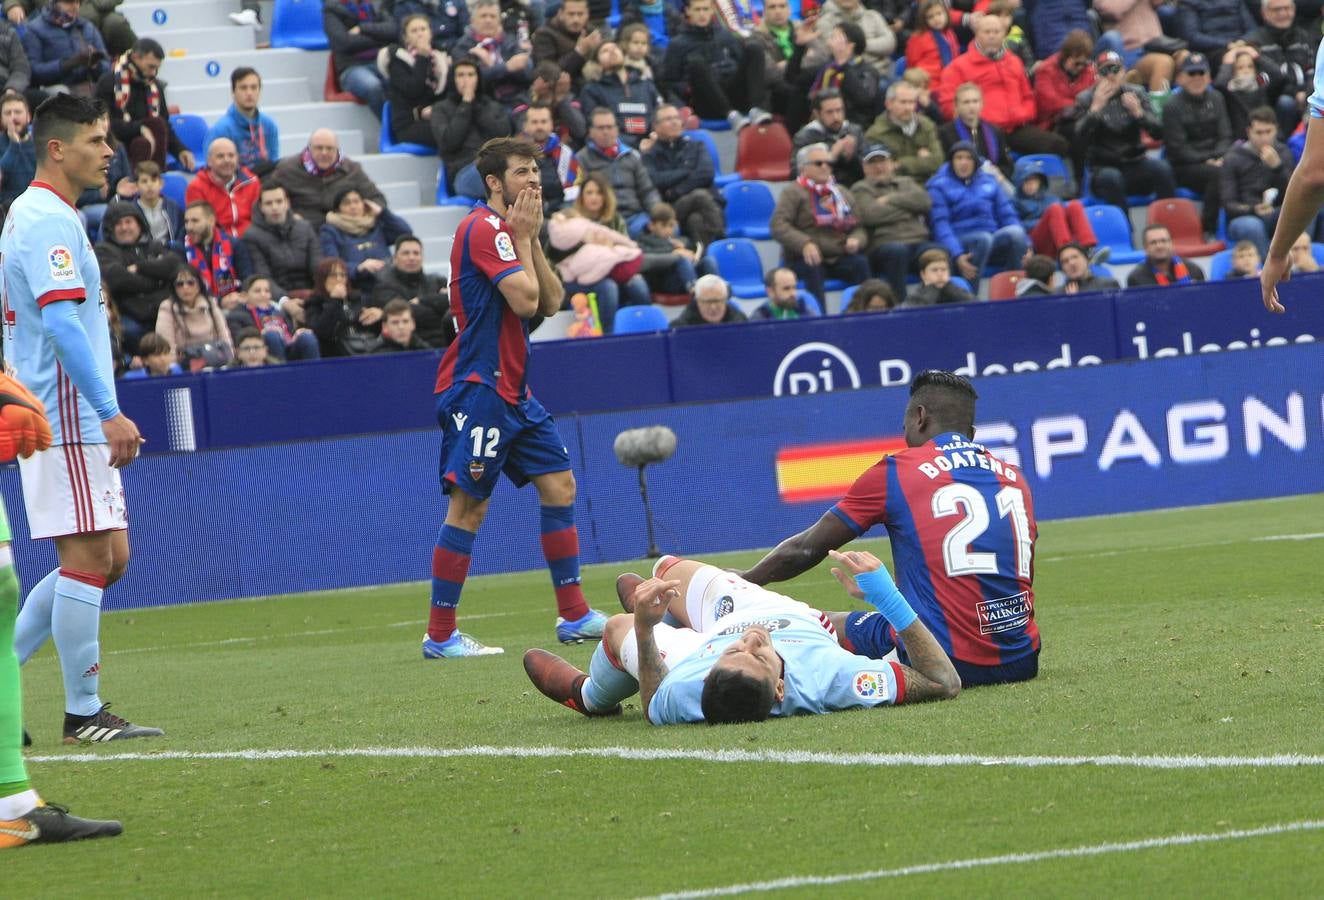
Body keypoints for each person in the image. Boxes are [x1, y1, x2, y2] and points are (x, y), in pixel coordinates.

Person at [1, 92, 160, 743]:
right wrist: (109, 412)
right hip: (63, 414)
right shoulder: (43, 220)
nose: (108, 152)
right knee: (92, 557)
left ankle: (6, 683)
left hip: (62, 414)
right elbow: (63, 323)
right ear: (58, 148)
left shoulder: (47, 215)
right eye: (96, 140)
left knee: (108, 558)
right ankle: (84, 712)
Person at [427, 136, 610, 657]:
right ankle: (440, 636)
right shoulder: (483, 228)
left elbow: (551, 302)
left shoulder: (512, 234)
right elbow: (526, 298)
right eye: (521, 172)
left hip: (514, 388)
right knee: (469, 511)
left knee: (560, 486)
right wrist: (520, 236)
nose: (533, 180)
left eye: (536, 170)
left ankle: (573, 615)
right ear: (493, 183)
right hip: (479, 387)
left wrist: (529, 240)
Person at [740, 370, 1041, 686]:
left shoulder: (896, 472)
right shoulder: (1014, 476)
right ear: (972, 433)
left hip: (946, 661)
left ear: (920, 417)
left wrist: (744, 583)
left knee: (809, 623)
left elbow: (803, 550)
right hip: (1022, 658)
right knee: (885, 619)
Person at [523, 548, 960, 724]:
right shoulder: (835, 678)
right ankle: (665, 603)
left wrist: (643, 626)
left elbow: (654, 702)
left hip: (702, 644)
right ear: (781, 686)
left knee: (621, 627)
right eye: (756, 653)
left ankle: (588, 695)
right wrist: (887, 596)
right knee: (667, 570)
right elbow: (944, 682)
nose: (751, 640)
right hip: (785, 616)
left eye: (743, 651)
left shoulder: (688, 690)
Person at [0, 372, 123, 844]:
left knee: (2, 590)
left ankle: (11, 804)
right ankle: (83, 712)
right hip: (75, 423)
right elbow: (59, 320)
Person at [937, 14, 1070, 158]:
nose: (992, 36)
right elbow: (948, 105)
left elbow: (1028, 96)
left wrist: (1022, 114)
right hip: (981, 131)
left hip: (1016, 128)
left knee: (1058, 144)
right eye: (987, 32)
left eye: (996, 32)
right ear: (976, 34)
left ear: (1004, 34)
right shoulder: (957, 68)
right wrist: (979, 119)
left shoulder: (1014, 62)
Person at [545, 172, 650, 332]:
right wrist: (583, 242)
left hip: (614, 271)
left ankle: (645, 330)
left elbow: (627, 251)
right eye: (589, 192)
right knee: (608, 287)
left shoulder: (615, 220)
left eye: (599, 192)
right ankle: (607, 336)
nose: (594, 197)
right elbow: (553, 256)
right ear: (581, 197)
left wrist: (609, 247)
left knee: (638, 283)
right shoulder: (568, 221)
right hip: (575, 279)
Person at [1074, 50, 1175, 211]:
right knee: (1112, 178)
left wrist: (1139, 113)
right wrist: (1094, 109)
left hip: (1135, 162)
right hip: (1103, 168)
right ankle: (1127, 231)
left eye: (1115, 70)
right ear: (1097, 75)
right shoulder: (1085, 99)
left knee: (1162, 169)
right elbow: (1078, 139)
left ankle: (1167, 224)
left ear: (1124, 72)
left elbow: (1160, 133)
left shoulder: (1136, 93)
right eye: (1105, 71)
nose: (1111, 76)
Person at [771, 142, 871, 304]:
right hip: (803, 257)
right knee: (813, 269)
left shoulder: (841, 192)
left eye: (828, 163)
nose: (825, 167)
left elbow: (858, 227)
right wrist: (805, 243)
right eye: (818, 163)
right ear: (803, 168)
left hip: (839, 255)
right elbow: (778, 225)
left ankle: (866, 314)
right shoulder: (793, 192)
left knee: (860, 263)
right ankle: (819, 321)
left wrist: (856, 239)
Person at [927, 141, 1028, 284]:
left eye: (968, 158)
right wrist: (956, 254)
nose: (964, 162)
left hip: (992, 238)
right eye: (959, 158)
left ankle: (1013, 288)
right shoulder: (937, 186)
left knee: (1016, 233)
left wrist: (1027, 245)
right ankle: (970, 297)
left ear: (975, 162)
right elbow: (940, 225)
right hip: (960, 241)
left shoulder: (989, 182)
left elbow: (1008, 216)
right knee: (983, 239)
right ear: (951, 162)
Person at [661, 0, 770, 130]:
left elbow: (742, 64)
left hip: (734, 91)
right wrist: (687, 91)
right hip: (706, 100)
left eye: (706, 9)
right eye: (698, 10)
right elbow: (669, 82)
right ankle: (730, 114)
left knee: (754, 48)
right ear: (688, 11)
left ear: (712, 10)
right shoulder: (677, 44)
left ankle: (756, 108)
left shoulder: (724, 34)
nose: (702, 14)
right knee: (696, 62)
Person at [850, 143, 935, 300]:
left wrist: (890, 199)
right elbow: (870, 215)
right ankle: (899, 304)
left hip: (918, 241)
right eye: (873, 163)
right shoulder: (860, 188)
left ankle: (934, 302)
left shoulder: (906, 182)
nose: (878, 167)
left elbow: (925, 202)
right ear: (864, 167)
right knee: (897, 251)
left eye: (882, 161)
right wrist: (908, 208)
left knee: (937, 253)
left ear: (891, 163)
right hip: (883, 244)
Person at [93, 37, 192, 172]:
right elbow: (103, 125)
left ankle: (154, 180)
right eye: (151, 67)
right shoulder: (108, 82)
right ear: (135, 57)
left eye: (157, 68)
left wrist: (180, 150)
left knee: (152, 131)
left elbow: (165, 124)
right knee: (145, 137)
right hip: (117, 146)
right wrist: (139, 128)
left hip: (149, 144)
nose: (153, 73)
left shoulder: (155, 86)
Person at [1162, 53, 1233, 239]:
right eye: (1191, 74)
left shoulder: (1217, 98)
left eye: (1201, 73)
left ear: (1208, 76)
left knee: (1239, 165)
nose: (1197, 78)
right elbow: (1177, 148)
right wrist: (1207, 160)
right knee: (1217, 174)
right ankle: (1208, 229)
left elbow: (1225, 135)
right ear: (1181, 78)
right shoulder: (1171, 106)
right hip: (1185, 166)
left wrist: (1218, 156)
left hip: (1216, 159)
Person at [93, 203, 180, 351]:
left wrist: (140, 267)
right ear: (110, 228)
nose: (125, 227)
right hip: (129, 316)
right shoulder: (103, 251)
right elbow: (118, 279)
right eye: (119, 223)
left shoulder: (154, 246)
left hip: (164, 312)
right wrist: (158, 280)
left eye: (129, 221)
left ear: (139, 224)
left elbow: (174, 265)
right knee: (130, 332)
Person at [639, 104, 724, 247]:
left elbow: (706, 174)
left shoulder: (697, 146)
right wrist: (686, 171)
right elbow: (656, 180)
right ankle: (722, 237)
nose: (674, 122)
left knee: (696, 220)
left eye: (676, 118)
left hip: (700, 206)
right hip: (674, 209)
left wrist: (676, 190)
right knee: (700, 195)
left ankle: (699, 258)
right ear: (656, 126)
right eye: (668, 119)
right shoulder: (650, 155)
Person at [270, 129, 387, 228]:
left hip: (343, 232)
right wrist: (289, 215)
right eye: (319, 148)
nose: (324, 153)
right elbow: (266, 199)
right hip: (303, 230)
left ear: (337, 150)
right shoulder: (287, 169)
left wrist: (359, 215)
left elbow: (377, 200)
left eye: (330, 148)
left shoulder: (352, 169)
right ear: (309, 148)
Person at [1222, 106, 1296, 256]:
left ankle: (1305, 265)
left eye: (1268, 132)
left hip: (1277, 212)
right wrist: (1253, 209)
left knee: (1306, 210)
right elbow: (1228, 203)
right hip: (1244, 216)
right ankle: (1266, 269)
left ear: (1276, 129)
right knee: (1252, 226)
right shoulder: (1232, 158)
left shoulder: (1284, 153)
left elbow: (1295, 193)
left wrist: (1277, 167)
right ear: (1249, 132)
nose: (1264, 138)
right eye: (1259, 133)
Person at [575, 106, 660, 236]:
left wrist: (658, 213)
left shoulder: (632, 156)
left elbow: (647, 191)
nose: (606, 132)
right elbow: (576, 196)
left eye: (609, 127)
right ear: (591, 132)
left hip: (635, 217)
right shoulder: (581, 159)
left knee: (667, 227)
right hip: (602, 219)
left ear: (617, 130)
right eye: (600, 128)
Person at [432, 57, 512, 194]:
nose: (466, 80)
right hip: (463, 172)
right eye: (460, 75)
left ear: (478, 79)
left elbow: (503, 135)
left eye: (471, 75)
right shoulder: (441, 109)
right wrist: (466, 105)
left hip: (495, 164)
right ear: (453, 79)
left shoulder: (492, 106)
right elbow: (449, 142)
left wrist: (476, 107)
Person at [317, 185, 413, 290]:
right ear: (338, 209)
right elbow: (332, 264)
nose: (353, 206)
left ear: (364, 204)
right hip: (356, 287)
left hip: (387, 283)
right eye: (346, 203)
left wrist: (382, 212)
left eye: (357, 201)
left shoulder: (376, 224)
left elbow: (405, 233)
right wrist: (359, 268)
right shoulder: (330, 231)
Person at [241, 182, 323, 300]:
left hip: (312, 293)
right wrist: (284, 300)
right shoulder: (251, 236)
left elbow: (318, 266)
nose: (275, 207)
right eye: (269, 203)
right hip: (275, 298)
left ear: (287, 203)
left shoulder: (305, 228)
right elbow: (263, 276)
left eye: (279, 201)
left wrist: (319, 294)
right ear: (261, 207)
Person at [1245, 0, 1315, 137]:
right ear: (1264, 13)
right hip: (1274, 100)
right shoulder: (1254, 41)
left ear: (1294, 10)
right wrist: (1295, 93)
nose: (1283, 13)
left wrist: (1306, 94)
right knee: (1286, 103)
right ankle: (1284, 144)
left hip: (1307, 96)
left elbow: (1314, 71)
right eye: (1276, 10)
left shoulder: (1304, 37)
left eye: (1286, 8)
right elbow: (1263, 80)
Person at [372, 234, 455, 348]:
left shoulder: (438, 281)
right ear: (395, 258)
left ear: (422, 257)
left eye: (416, 253)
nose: (411, 258)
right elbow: (399, 314)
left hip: (445, 345)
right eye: (406, 253)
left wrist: (422, 300)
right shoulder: (383, 287)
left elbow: (454, 305)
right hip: (408, 349)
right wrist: (437, 304)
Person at [578, 40, 660, 149]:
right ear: (596, 62)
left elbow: (658, 116)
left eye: (615, 48)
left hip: (651, 146)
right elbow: (596, 128)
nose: (612, 51)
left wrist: (655, 139)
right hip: (615, 150)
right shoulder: (592, 90)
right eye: (605, 51)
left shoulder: (645, 84)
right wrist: (636, 145)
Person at [383, 14, 449, 150]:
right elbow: (413, 90)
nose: (420, 34)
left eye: (423, 29)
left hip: (436, 117)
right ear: (406, 38)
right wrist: (422, 57)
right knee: (451, 133)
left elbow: (448, 94)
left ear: (430, 33)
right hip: (409, 124)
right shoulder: (396, 61)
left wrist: (436, 109)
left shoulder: (441, 59)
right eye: (414, 31)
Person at [154, 262, 235, 371]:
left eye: (190, 283)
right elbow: (166, 346)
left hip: (215, 360)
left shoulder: (210, 303)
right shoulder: (167, 307)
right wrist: (172, 368)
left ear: (199, 285)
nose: (185, 287)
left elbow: (224, 335)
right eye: (180, 284)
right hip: (184, 366)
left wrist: (230, 358)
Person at [450, 0, 532, 106]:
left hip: (516, 100)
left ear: (499, 21)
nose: (488, 20)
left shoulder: (511, 42)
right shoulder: (463, 47)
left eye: (493, 16)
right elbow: (472, 80)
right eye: (483, 16)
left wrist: (493, 67)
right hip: (481, 103)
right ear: (472, 21)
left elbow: (527, 74)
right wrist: (505, 68)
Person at [224, 273, 321, 362]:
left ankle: (316, 378)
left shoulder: (278, 312)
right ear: (245, 296)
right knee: (272, 335)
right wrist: (264, 334)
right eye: (257, 291)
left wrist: (297, 334)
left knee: (307, 337)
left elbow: (290, 334)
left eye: (267, 291)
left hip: (287, 347)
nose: (263, 294)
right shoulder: (236, 316)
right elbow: (241, 341)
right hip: (261, 354)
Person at [205, 67, 281, 180]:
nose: (249, 93)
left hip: (265, 182)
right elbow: (211, 170)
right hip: (235, 184)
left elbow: (274, 161)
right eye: (243, 88)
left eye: (254, 87)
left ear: (259, 91)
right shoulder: (220, 129)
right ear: (233, 91)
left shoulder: (269, 125)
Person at [22, 0, 109, 98]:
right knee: (61, 93)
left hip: (86, 86)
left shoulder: (87, 27)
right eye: (69, 2)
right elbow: (33, 72)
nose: (75, 6)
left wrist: (95, 64)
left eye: (78, 2)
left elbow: (107, 68)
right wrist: (68, 64)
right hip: (53, 89)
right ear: (54, 3)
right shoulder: (34, 30)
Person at [323, 0, 395, 116]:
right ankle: (390, 129)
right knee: (373, 86)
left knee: (403, 81)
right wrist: (380, 39)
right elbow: (344, 42)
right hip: (352, 67)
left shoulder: (373, 7)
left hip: (381, 62)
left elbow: (393, 30)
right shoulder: (331, 10)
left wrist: (362, 28)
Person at [863, 80, 943, 182]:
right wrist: (922, 161)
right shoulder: (876, 134)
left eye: (912, 102)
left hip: (928, 184)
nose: (908, 107)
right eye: (903, 102)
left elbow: (937, 161)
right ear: (888, 104)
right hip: (895, 188)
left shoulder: (926, 125)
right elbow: (882, 171)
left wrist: (900, 164)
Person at [1013, 169, 1100, 258]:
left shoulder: (1051, 199)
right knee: (1055, 209)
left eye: (1034, 180)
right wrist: (1046, 220)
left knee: (1074, 205)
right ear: (1020, 183)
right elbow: (1015, 225)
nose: (1031, 184)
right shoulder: (1015, 202)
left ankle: (1088, 249)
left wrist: (1054, 221)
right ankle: (1067, 253)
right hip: (1035, 242)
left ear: (1040, 182)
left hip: (1055, 238)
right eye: (1026, 180)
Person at [184, 137, 260, 238]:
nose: (227, 160)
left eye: (231, 155)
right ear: (209, 161)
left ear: (237, 158)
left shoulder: (252, 182)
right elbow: (199, 225)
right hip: (218, 243)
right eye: (220, 156)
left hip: (250, 240)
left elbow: (260, 219)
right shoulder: (196, 188)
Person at [182, 199, 252, 306]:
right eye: (186, 222)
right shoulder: (181, 249)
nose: (189, 227)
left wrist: (238, 296)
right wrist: (219, 302)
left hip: (235, 305)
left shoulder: (234, 244)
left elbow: (247, 278)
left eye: (195, 221)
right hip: (198, 309)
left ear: (211, 220)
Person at [938, 82, 1013, 180]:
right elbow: (944, 166)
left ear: (982, 104)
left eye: (975, 101)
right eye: (966, 102)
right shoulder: (945, 132)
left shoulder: (995, 131)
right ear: (956, 106)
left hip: (992, 182)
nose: (971, 106)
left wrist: (1000, 173)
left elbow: (1006, 164)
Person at [1033, 29, 1096, 146]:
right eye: (1077, 63)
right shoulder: (1045, 70)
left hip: (1079, 117)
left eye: (1084, 63)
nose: (1081, 67)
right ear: (1065, 57)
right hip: (1051, 124)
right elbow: (1050, 104)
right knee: (1079, 131)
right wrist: (1078, 104)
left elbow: (1092, 96)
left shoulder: (1089, 71)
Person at [792, 89, 866, 188]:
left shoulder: (854, 132)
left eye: (839, 110)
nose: (836, 117)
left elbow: (867, 170)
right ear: (817, 114)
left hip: (855, 189)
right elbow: (795, 174)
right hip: (819, 190)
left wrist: (851, 158)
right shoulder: (805, 137)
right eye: (829, 112)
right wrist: (831, 157)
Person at [517, 101, 578, 212]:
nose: (539, 126)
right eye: (534, 122)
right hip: (524, 211)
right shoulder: (515, 153)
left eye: (544, 121)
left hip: (561, 213)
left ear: (551, 125)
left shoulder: (566, 153)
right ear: (525, 126)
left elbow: (573, 191)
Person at [635, 201, 703, 296]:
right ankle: (697, 295)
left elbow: (688, 242)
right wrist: (674, 252)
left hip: (682, 278)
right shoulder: (642, 240)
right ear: (651, 226)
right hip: (663, 282)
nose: (668, 230)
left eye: (671, 225)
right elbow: (649, 255)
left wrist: (683, 247)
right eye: (664, 225)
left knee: (708, 261)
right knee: (682, 260)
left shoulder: (673, 240)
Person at [529, 0, 597, 91]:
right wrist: (579, 52)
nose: (576, 19)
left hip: (592, 89)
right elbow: (548, 72)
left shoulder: (591, 32)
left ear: (587, 14)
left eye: (580, 14)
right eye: (571, 14)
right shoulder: (544, 35)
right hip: (560, 92)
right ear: (560, 14)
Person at [1125, 223, 1207, 287]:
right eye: (1153, 242)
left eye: (1164, 241)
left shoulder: (1193, 270)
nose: (1159, 246)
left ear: (1172, 244)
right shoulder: (1136, 278)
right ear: (1145, 249)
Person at [126, 160, 182, 248]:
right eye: (144, 181)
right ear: (137, 186)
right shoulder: (130, 209)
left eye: (153, 180)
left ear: (161, 184)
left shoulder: (173, 207)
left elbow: (180, 234)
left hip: (169, 254)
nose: (149, 185)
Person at [905, 0, 959, 85]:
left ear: (946, 13)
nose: (936, 19)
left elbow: (955, 57)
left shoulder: (950, 34)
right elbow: (911, 65)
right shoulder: (918, 38)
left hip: (950, 80)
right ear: (924, 19)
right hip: (928, 83)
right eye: (930, 17)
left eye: (939, 14)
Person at [903, 247, 974, 306]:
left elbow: (976, 306)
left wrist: (948, 287)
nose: (940, 274)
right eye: (934, 270)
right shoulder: (916, 296)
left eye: (944, 270)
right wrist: (930, 289)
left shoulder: (957, 290)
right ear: (923, 274)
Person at [670, 272, 747, 326]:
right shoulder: (681, 329)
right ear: (697, 301)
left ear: (725, 299)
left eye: (718, 301)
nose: (713, 307)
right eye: (707, 302)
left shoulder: (740, 322)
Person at [0, 91, 34, 206]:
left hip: (39, 205)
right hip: (9, 209)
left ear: (28, 117)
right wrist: (14, 145)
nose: (13, 117)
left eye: (17, 112)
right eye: (8, 113)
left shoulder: (40, 144)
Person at [750, 266, 817, 320]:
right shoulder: (760, 317)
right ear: (770, 292)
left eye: (794, 287)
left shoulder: (806, 311)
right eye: (786, 289)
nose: (792, 293)